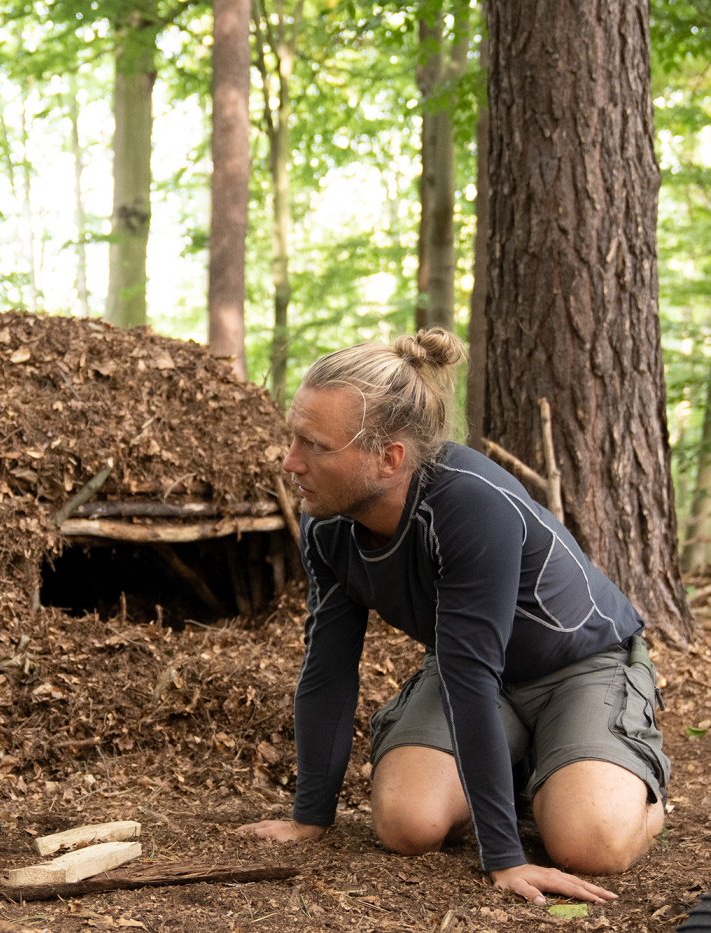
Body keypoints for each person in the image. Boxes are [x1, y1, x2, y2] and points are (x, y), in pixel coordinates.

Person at [242, 329, 668, 906]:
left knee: (588, 843)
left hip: (580, 668)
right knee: (406, 825)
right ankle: (528, 776)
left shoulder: (470, 504)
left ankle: (619, 781)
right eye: (293, 437)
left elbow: (470, 679)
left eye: (314, 445)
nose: (290, 462)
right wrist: (309, 817)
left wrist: (504, 857)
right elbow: (329, 668)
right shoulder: (328, 523)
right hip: (478, 678)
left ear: (389, 458)